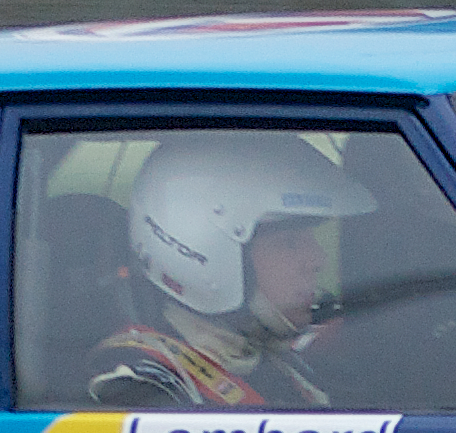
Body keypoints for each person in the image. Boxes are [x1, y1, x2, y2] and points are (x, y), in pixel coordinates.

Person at [84, 136, 377, 408]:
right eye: (289, 244)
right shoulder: (142, 388)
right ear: (205, 253)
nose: (317, 259)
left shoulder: (272, 363)